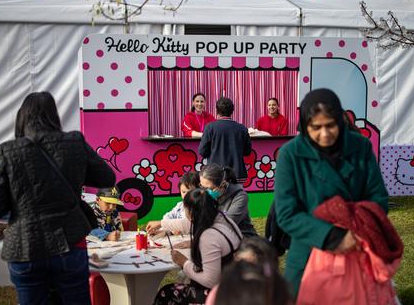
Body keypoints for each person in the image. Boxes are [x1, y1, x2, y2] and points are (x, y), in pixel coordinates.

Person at [0, 91, 116, 305]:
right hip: (70, 241)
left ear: (22, 116)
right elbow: (107, 177)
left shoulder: (8, 150)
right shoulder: (74, 141)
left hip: (25, 246)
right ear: (54, 115)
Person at [274, 88, 389, 298]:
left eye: (330, 125)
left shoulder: (360, 146)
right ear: (305, 126)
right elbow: (286, 214)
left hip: (357, 246)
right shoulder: (290, 155)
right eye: (316, 127)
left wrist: (358, 229)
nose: (324, 134)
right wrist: (332, 236)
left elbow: (378, 197)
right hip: (309, 251)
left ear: (340, 120)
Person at [153, 188, 242, 305]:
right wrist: (161, 223)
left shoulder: (208, 236)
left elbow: (210, 281)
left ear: (191, 213)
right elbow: (186, 223)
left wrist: (184, 262)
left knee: (166, 293)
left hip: (220, 294)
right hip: (237, 284)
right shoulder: (221, 218)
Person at [145, 164, 257, 238]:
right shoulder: (206, 194)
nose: (203, 191)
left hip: (241, 239)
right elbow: (194, 220)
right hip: (216, 238)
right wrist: (167, 229)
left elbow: (221, 226)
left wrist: (163, 223)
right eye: (201, 186)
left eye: (208, 188)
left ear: (222, 185)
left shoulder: (240, 197)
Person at [198, 97, 252, 180]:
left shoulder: (210, 127)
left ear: (217, 111)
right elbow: (247, 152)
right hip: (237, 174)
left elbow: (202, 151)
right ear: (232, 111)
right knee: (236, 193)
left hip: (215, 174)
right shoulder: (242, 129)